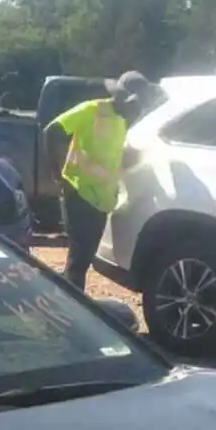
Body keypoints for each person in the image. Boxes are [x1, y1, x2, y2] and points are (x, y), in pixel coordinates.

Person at [46, 71, 154, 288]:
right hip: (79, 192)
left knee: (82, 259)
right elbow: (52, 131)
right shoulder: (91, 110)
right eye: (135, 103)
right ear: (122, 96)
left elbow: (110, 156)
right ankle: (74, 312)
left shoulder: (122, 121)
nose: (137, 109)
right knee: (79, 260)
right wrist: (58, 176)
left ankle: (64, 299)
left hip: (102, 200)